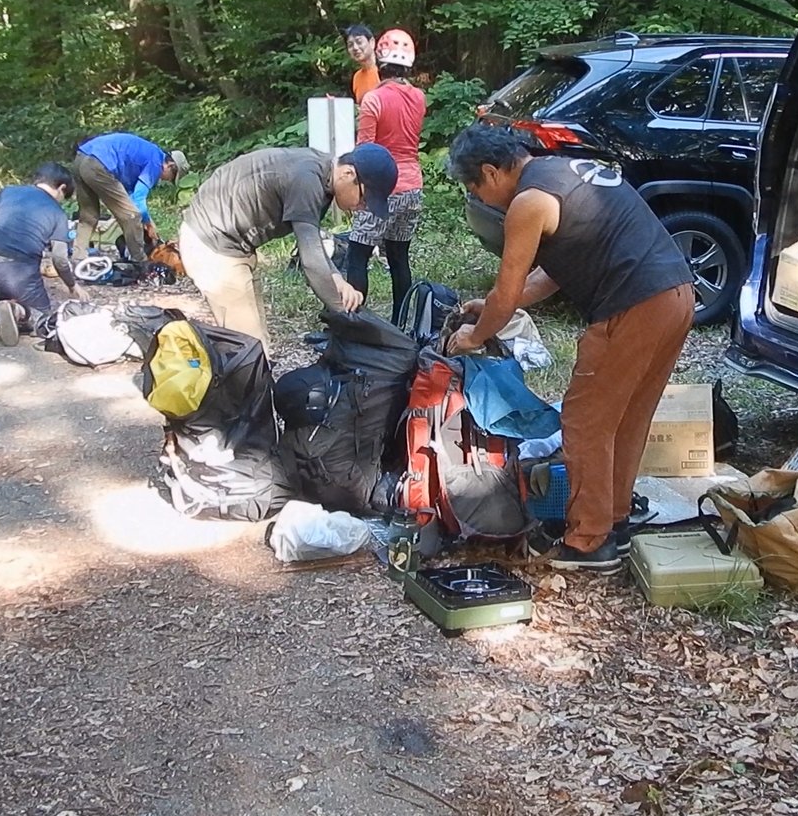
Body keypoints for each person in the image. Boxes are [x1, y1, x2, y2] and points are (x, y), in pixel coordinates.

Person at [444, 125, 695, 572]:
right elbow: (547, 277)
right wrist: (497, 305)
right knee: (626, 417)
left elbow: (506, 290)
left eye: (474, 187)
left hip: (633, 304)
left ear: (490, 172)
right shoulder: (562, 172)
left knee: (584, 421)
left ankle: (589, 542)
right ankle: (614, 522)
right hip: (675, 294)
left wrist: (473, 336)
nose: (479, 198)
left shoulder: (528, 202)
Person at [178, 143, 399, 349]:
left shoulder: (323, 174)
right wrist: (347, 316)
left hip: (233, 245)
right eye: (364, 198)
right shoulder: (307, 181)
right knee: (247, 348)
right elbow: (311, 262)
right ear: (347, 173)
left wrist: (338, 280)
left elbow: (312, 244)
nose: (361, 207)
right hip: (211, 243)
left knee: (255, 342)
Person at [343, 28, 427, 320]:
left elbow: (365, 152)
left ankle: (356, 325)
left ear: (380, 57)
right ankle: (400, 325)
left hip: (382, 189)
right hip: (413, 185)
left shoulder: (373, 99)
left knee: (358, 255)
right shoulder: (419, 97)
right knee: (398, 258)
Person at [0, 162, 86, 346]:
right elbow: (60, 259)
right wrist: (72, 285)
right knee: (46, 319)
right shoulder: (58, 213)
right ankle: (19, 312)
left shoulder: (7, 191)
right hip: (17, 274)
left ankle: (7, 304)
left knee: (8, 277)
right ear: (61, 188)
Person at [71, 132, 190, 265]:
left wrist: (148, 221)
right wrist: (148, 223)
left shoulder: (147, 153)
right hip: (99, 163)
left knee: (89, 215)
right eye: (171, 177)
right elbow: (137, 202)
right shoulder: (155, 162)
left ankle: (78, 257)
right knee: (132, 216)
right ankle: (139, 261)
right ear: (169, 165)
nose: (167, 180)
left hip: (81, 157)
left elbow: (130, 196)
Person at [346, 24, 380, 99]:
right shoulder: (356, 77)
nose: (355, 48)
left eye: (359, 42)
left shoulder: (385, 72)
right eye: (350, 45)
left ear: (372, 42)